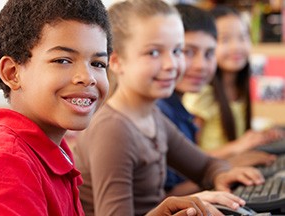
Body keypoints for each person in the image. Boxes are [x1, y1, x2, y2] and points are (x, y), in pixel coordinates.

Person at [0, 0, 214, 215]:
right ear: (12, 73)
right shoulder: (4, 161)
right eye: (63, 60)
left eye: (97, 63)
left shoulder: (52, 150)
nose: (88, 77)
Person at [73, 1, 264, 215]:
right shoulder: (113, 130)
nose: (171, 64)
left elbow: (206, 167)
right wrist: (184, 202)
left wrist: (222, 176)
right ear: (116, 61)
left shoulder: (152, 116)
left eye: (176, 50)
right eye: (154, 53)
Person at [157, 4, 277, 196]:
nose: (201, 65)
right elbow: (168, 194)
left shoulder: (175, 110)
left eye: (209, 53)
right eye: (187, 51)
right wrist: (229, 163)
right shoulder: (161, 113)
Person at [182, 5, 283, 161]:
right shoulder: (201, 94)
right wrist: (239, 146)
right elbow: (188, 158)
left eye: (243, 37)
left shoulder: (239, 86)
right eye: (225, 39)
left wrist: (260, 136)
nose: (237, 47)